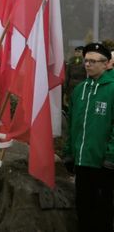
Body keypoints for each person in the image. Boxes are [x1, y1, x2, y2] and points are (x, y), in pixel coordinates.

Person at [63, 42, 114, 232]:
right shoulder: (79, 90)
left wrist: (110, 156)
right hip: (82, 161)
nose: (88, 64)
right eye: (86, 61)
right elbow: (73, 126)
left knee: (103, 212)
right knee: (83, 209)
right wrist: (69, 152)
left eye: (93, 61)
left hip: (103, 163)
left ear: (106, 64)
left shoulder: (112, 89)